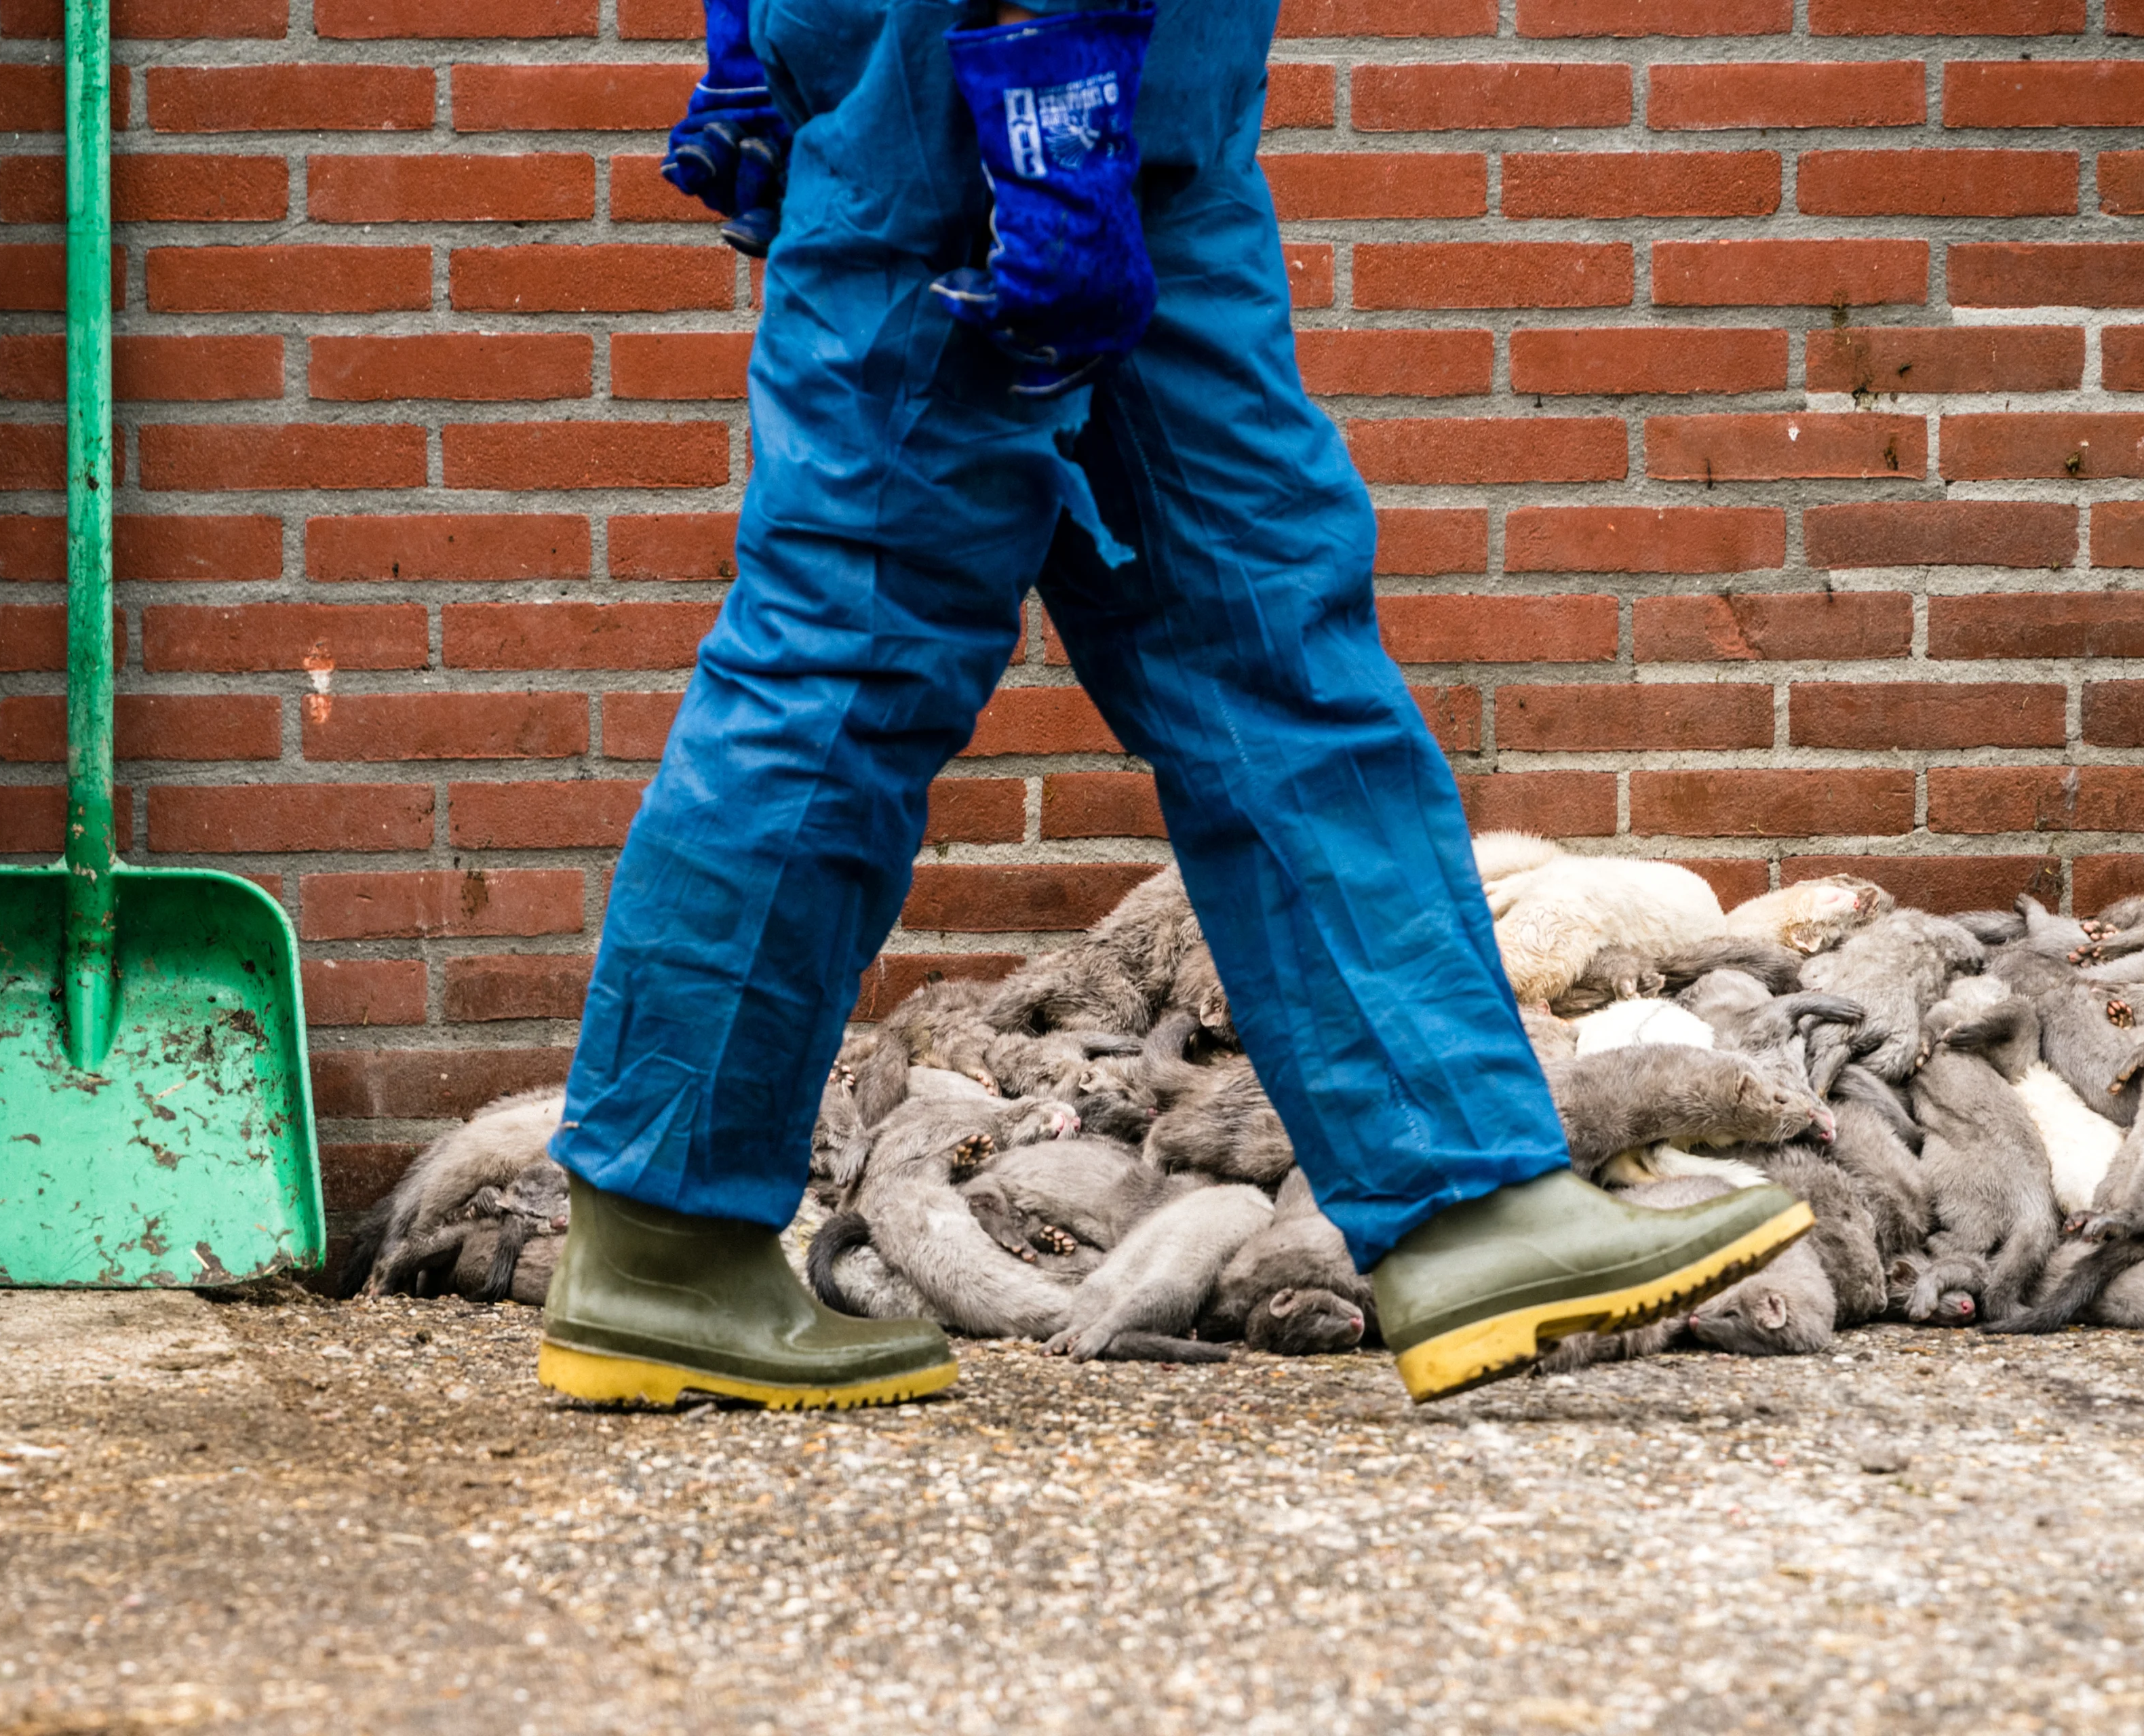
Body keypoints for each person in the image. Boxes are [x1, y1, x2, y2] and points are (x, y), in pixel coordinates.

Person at [534, 0, 1812, 1407]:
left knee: (1271, 634)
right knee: (844, 654)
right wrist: (1033, 101)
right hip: (996, 91)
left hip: (1138, 110)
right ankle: (665, 1235)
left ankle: (1467, 1205)